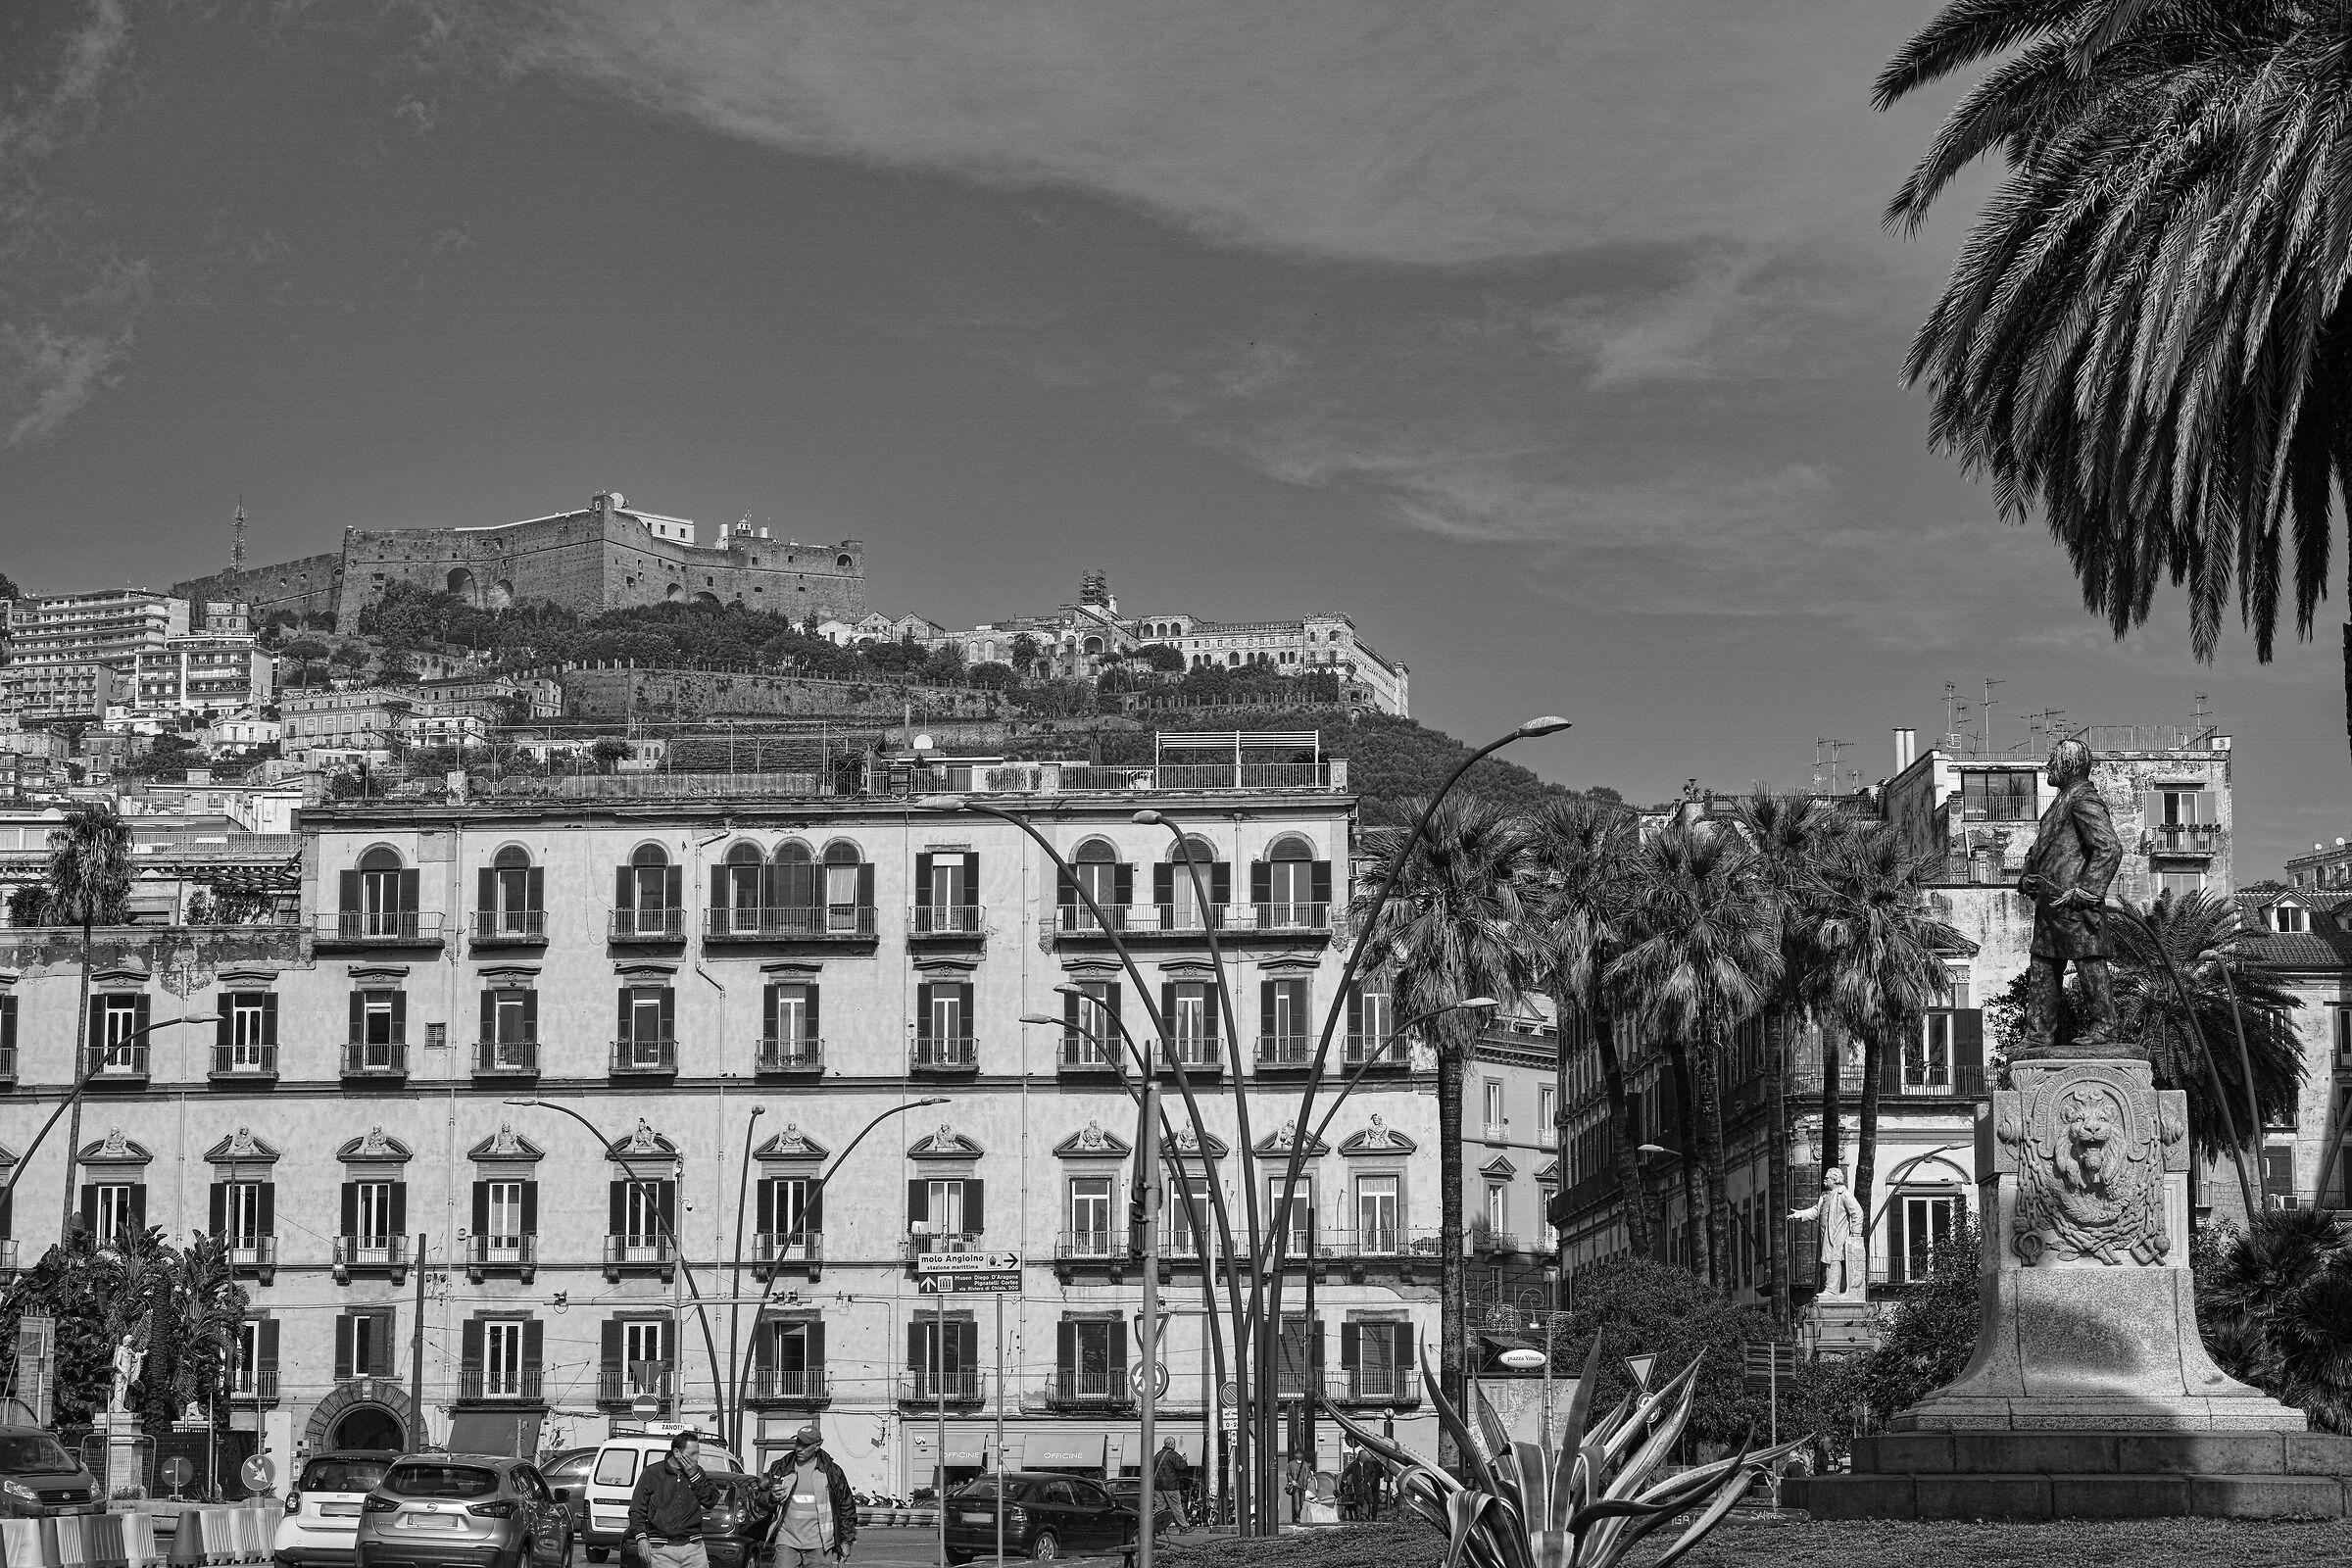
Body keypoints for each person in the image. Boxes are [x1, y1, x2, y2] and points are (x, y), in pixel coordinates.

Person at [2019, 736, 2124, 1055]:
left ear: (2066, 766)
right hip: (2051, 904)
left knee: (2088, 962)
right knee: (2043, 966)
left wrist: (2089, 891)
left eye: (2052, 761)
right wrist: (2026, 877)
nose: (2047, 766)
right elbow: (2043, 848)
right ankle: (2038, 1037)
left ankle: (2104, 1029)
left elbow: (2109, 847)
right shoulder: (2065, 799)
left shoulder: (2081, 800)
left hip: (2073, 904)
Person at [626, 1432, 724, 1568]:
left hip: (694, 1549)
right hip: (661, 1550)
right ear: (677, 1453)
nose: (696, 1458)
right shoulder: (652, 1473)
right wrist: (641, 1538)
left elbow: (710, 1501)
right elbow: (636, 1510)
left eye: (698, 1453)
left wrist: (694, 1476)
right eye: (692, 1453)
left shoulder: (697, 1472)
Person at [763, 1424, 857, 1565]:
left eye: (805, 1445)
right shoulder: (781, 1467)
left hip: (819, 1544)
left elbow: (846, 1507)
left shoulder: (832, 1472)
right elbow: (759, 1498)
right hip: (786, 1540)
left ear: (817, 1445)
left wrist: (846, 1541)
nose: (799, 1448)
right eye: (798, 1442)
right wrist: (772, 1497)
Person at [1788, 1167, 1867, 1299]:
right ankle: (1830, 1288)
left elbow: (1857, 1212)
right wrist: (1800, 1214)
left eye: (1827, 1178)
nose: (1824, 1180)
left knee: (1834, 1259)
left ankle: (1832, 1290)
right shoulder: (1825, 1196)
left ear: (1835, 1179)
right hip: (1827, 1233)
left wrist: (1856, 1234)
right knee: (1828, 1260)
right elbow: (1816, 1211)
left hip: (1838, 1233)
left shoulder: (1843, 1194)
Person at [1150, 1437, 1190, 1538]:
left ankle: (1155, 1528)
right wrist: (1184, 1460)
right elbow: (1181, 1467)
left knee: (1159, 1507)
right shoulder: (1173, 1455)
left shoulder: (1157, 1455)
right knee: (1176, 1506)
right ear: (1172, 1445)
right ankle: (1183, 1527)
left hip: (1158, 1486)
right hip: (1171, 1486)